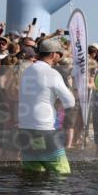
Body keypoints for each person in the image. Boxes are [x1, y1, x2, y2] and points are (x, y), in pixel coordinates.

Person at [18, 39, 75, 173]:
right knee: (62, 172)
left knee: (33, 173)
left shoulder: (27, 71)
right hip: (44, 129)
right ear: (53, 54)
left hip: (25, 128)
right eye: (59, 54)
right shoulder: (52, 73)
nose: (60, 57)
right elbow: (70, 102)